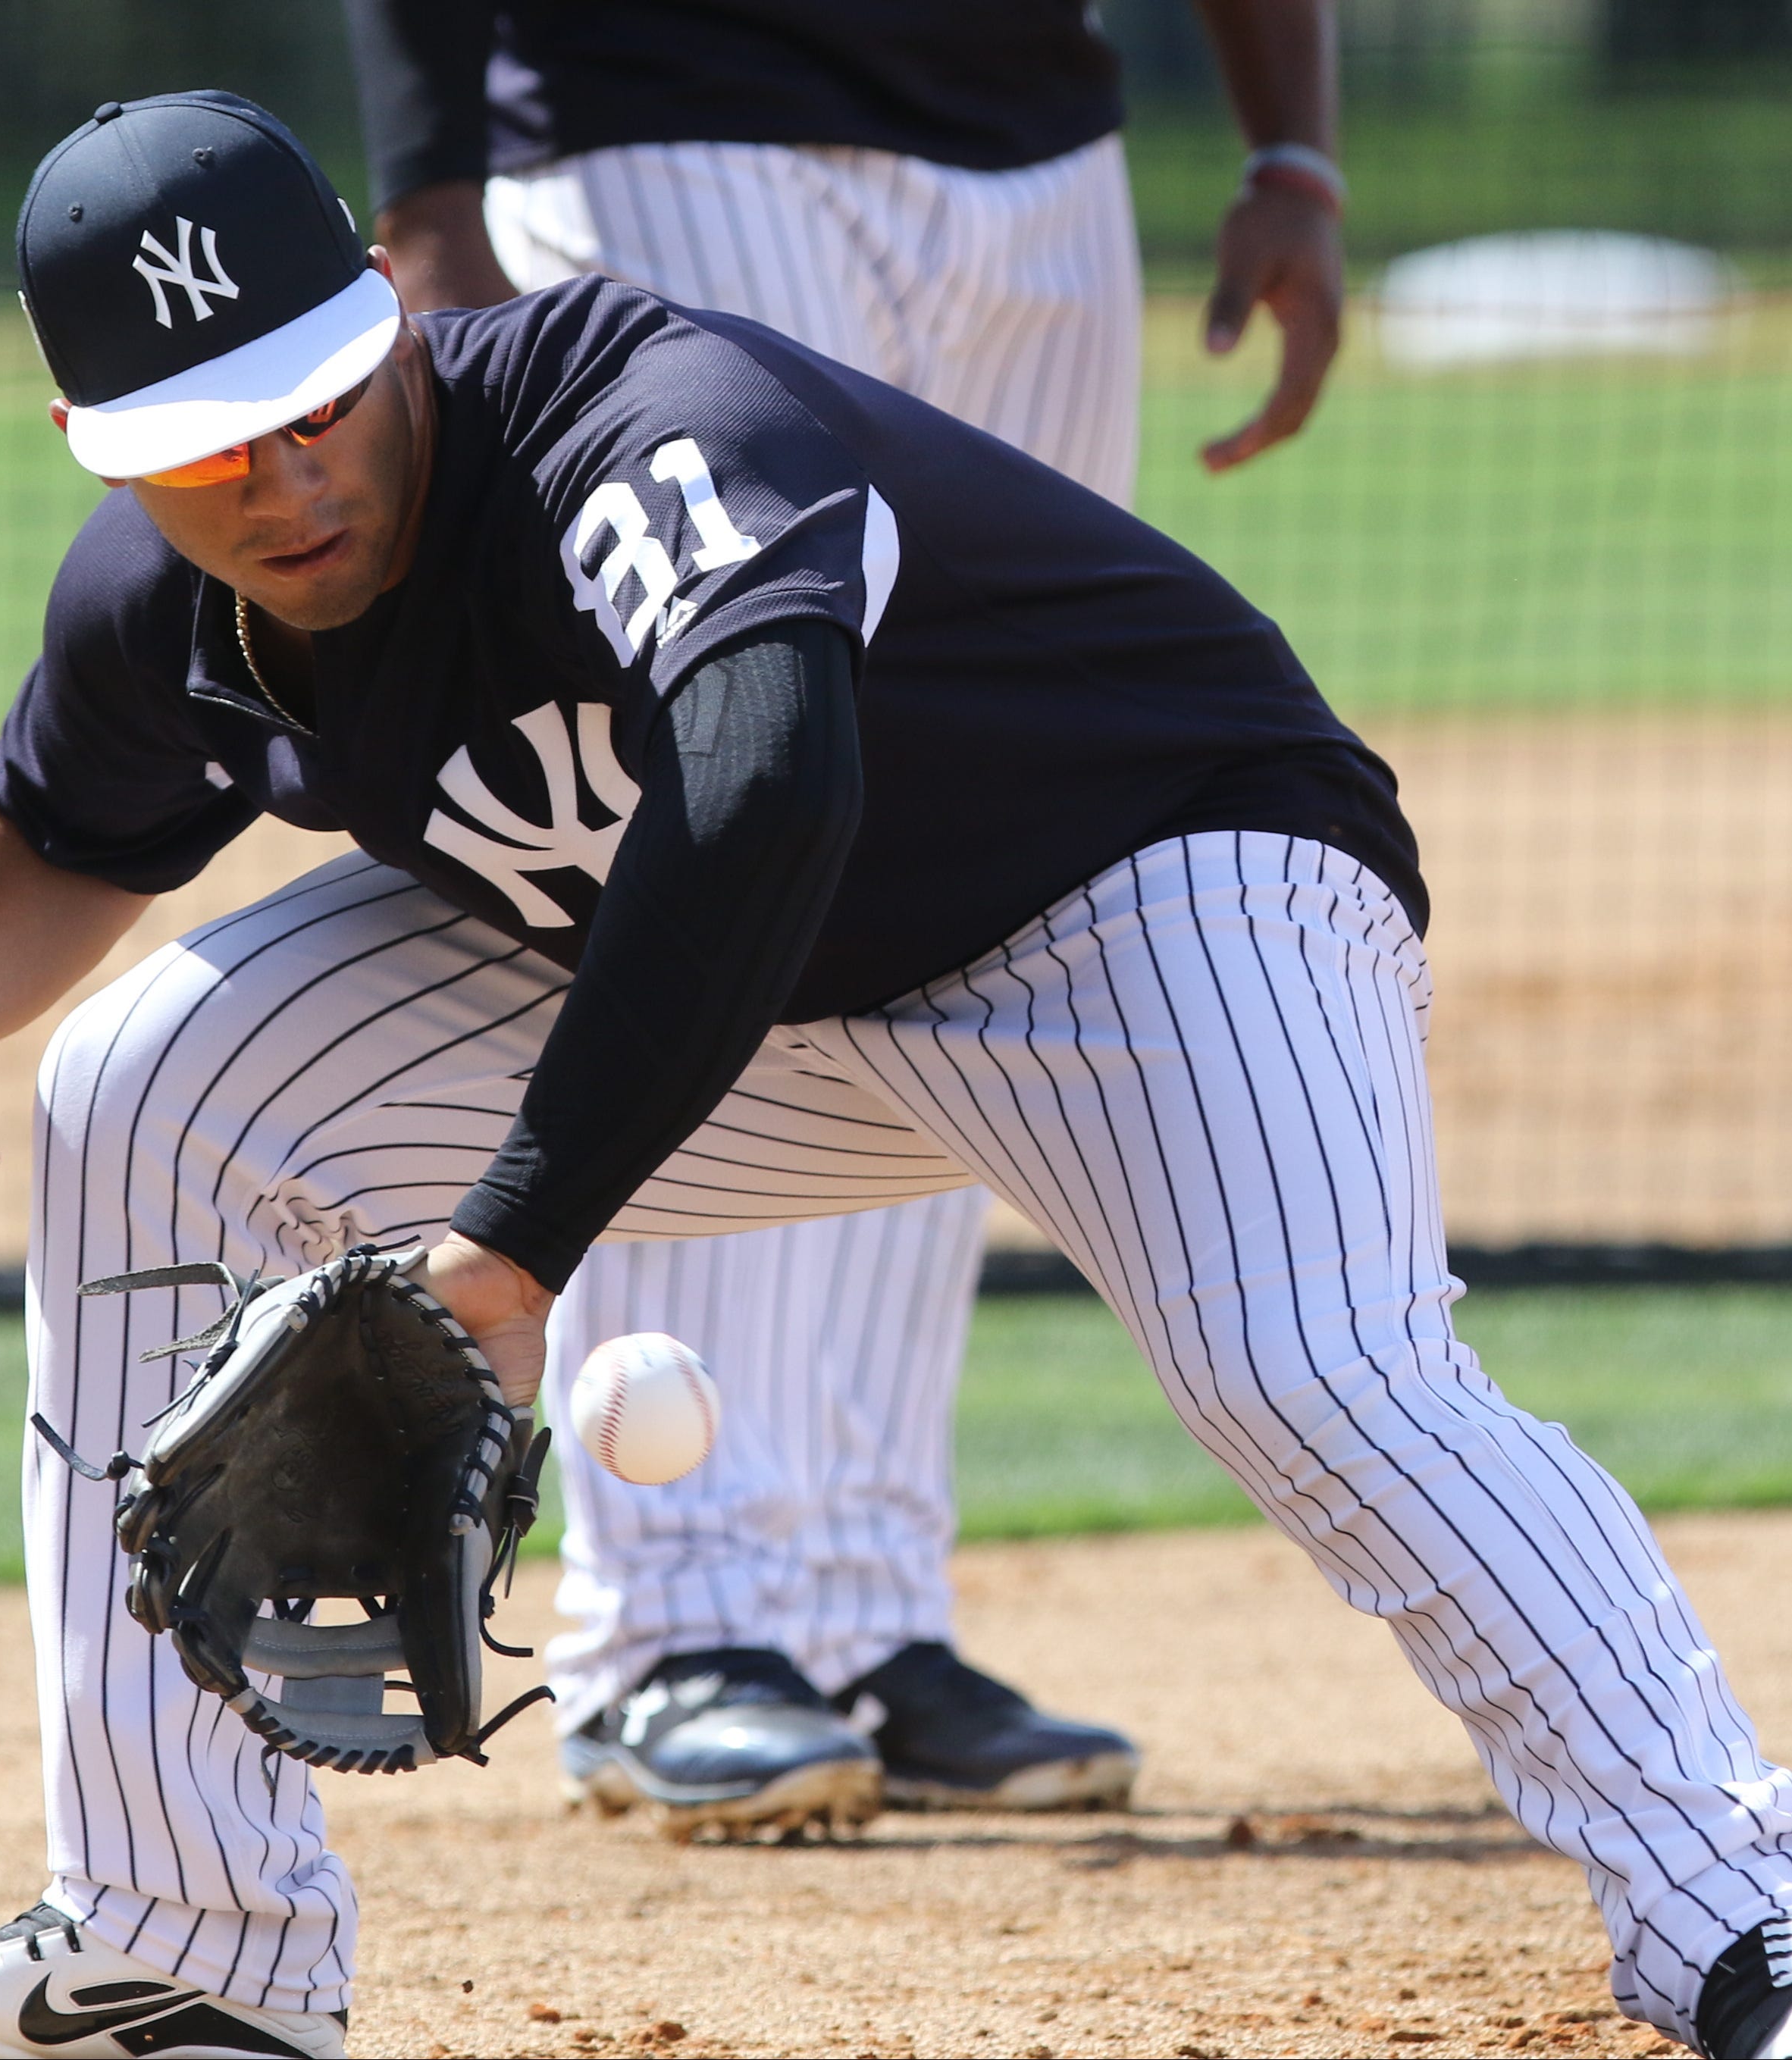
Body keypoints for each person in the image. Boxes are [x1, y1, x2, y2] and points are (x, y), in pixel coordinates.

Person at [0, 92, 1792, 2060]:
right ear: (94, 450)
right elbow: (56, 812)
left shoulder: (638, 420)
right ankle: (180, 1938)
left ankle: (1743, 1903)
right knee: (143, 1085)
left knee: (1309, 1361)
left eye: (312, 404)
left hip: (1153, 892)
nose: (283, 487)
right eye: (208, 453)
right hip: (774, 1008)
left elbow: (761, 792)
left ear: (387, 304)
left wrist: (507, 1257)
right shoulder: (171, 595)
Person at [342, 0, 1350, 1831]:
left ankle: (865, 1606)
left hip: (1037, 136)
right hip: (673, 102)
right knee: (716, 786)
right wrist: (427, 195)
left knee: (967, 828)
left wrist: (1291, 148)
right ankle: (684, 1625)